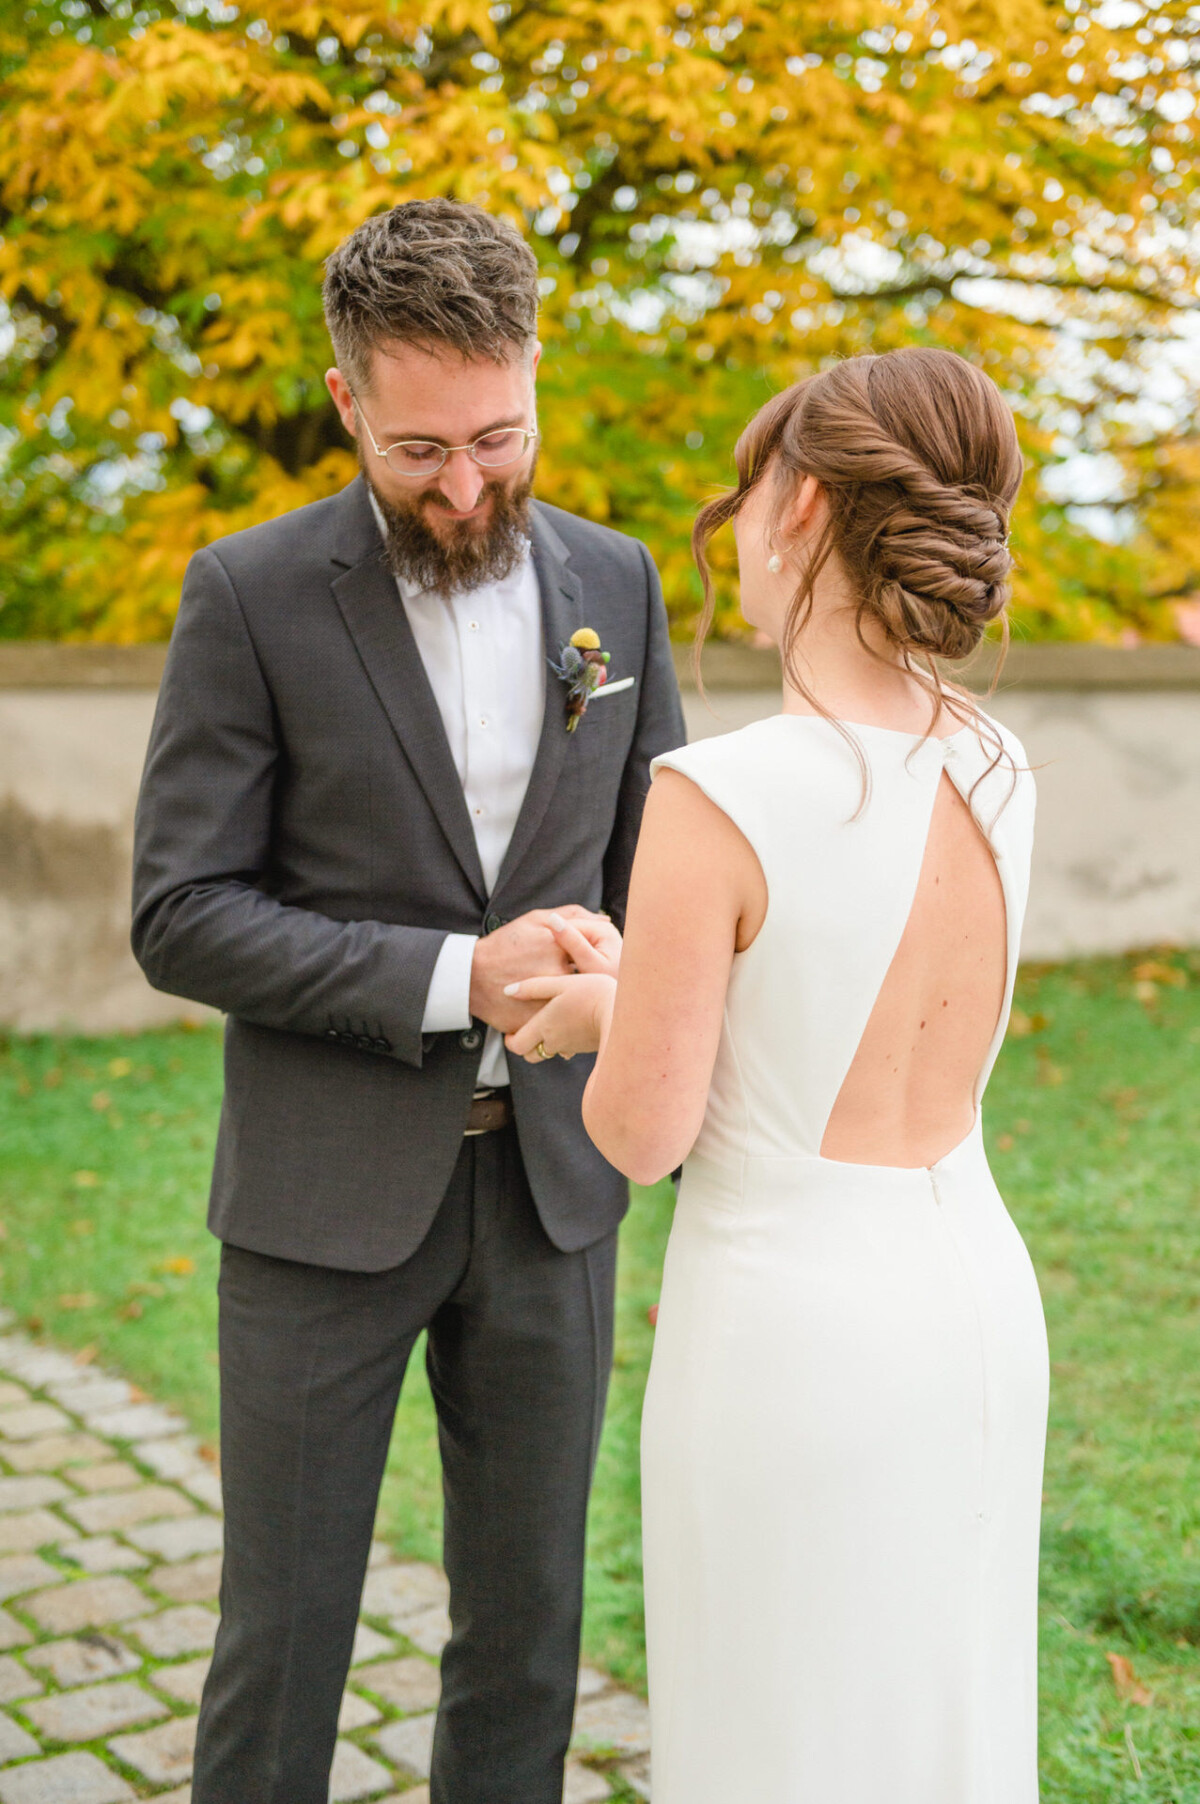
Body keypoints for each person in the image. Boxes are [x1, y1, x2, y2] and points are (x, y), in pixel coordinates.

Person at [131, 197, 685, 1804]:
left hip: (554, 1193)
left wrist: (624, 967)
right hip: (319, 1205)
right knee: (286, 1635)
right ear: (346, 402)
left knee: (526, 1634)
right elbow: (181, 914)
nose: (465, 486)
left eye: (499, 438)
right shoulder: (247, 594)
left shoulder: (619, 581)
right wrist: (461, 975)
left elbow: (660, 867)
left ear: (537, 380)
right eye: (419, 449)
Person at [504, 347, 1050, 1802]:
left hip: (793, 1342)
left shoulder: (720, 794)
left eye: (744, 494)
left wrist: (599, 1022)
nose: (733, 527)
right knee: (937, 1718)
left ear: (801, 506)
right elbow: (845, 1014)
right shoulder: (1000, 768)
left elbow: (641, 1131)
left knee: (777, 1731)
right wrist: (641, 989)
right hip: (973, 1306)